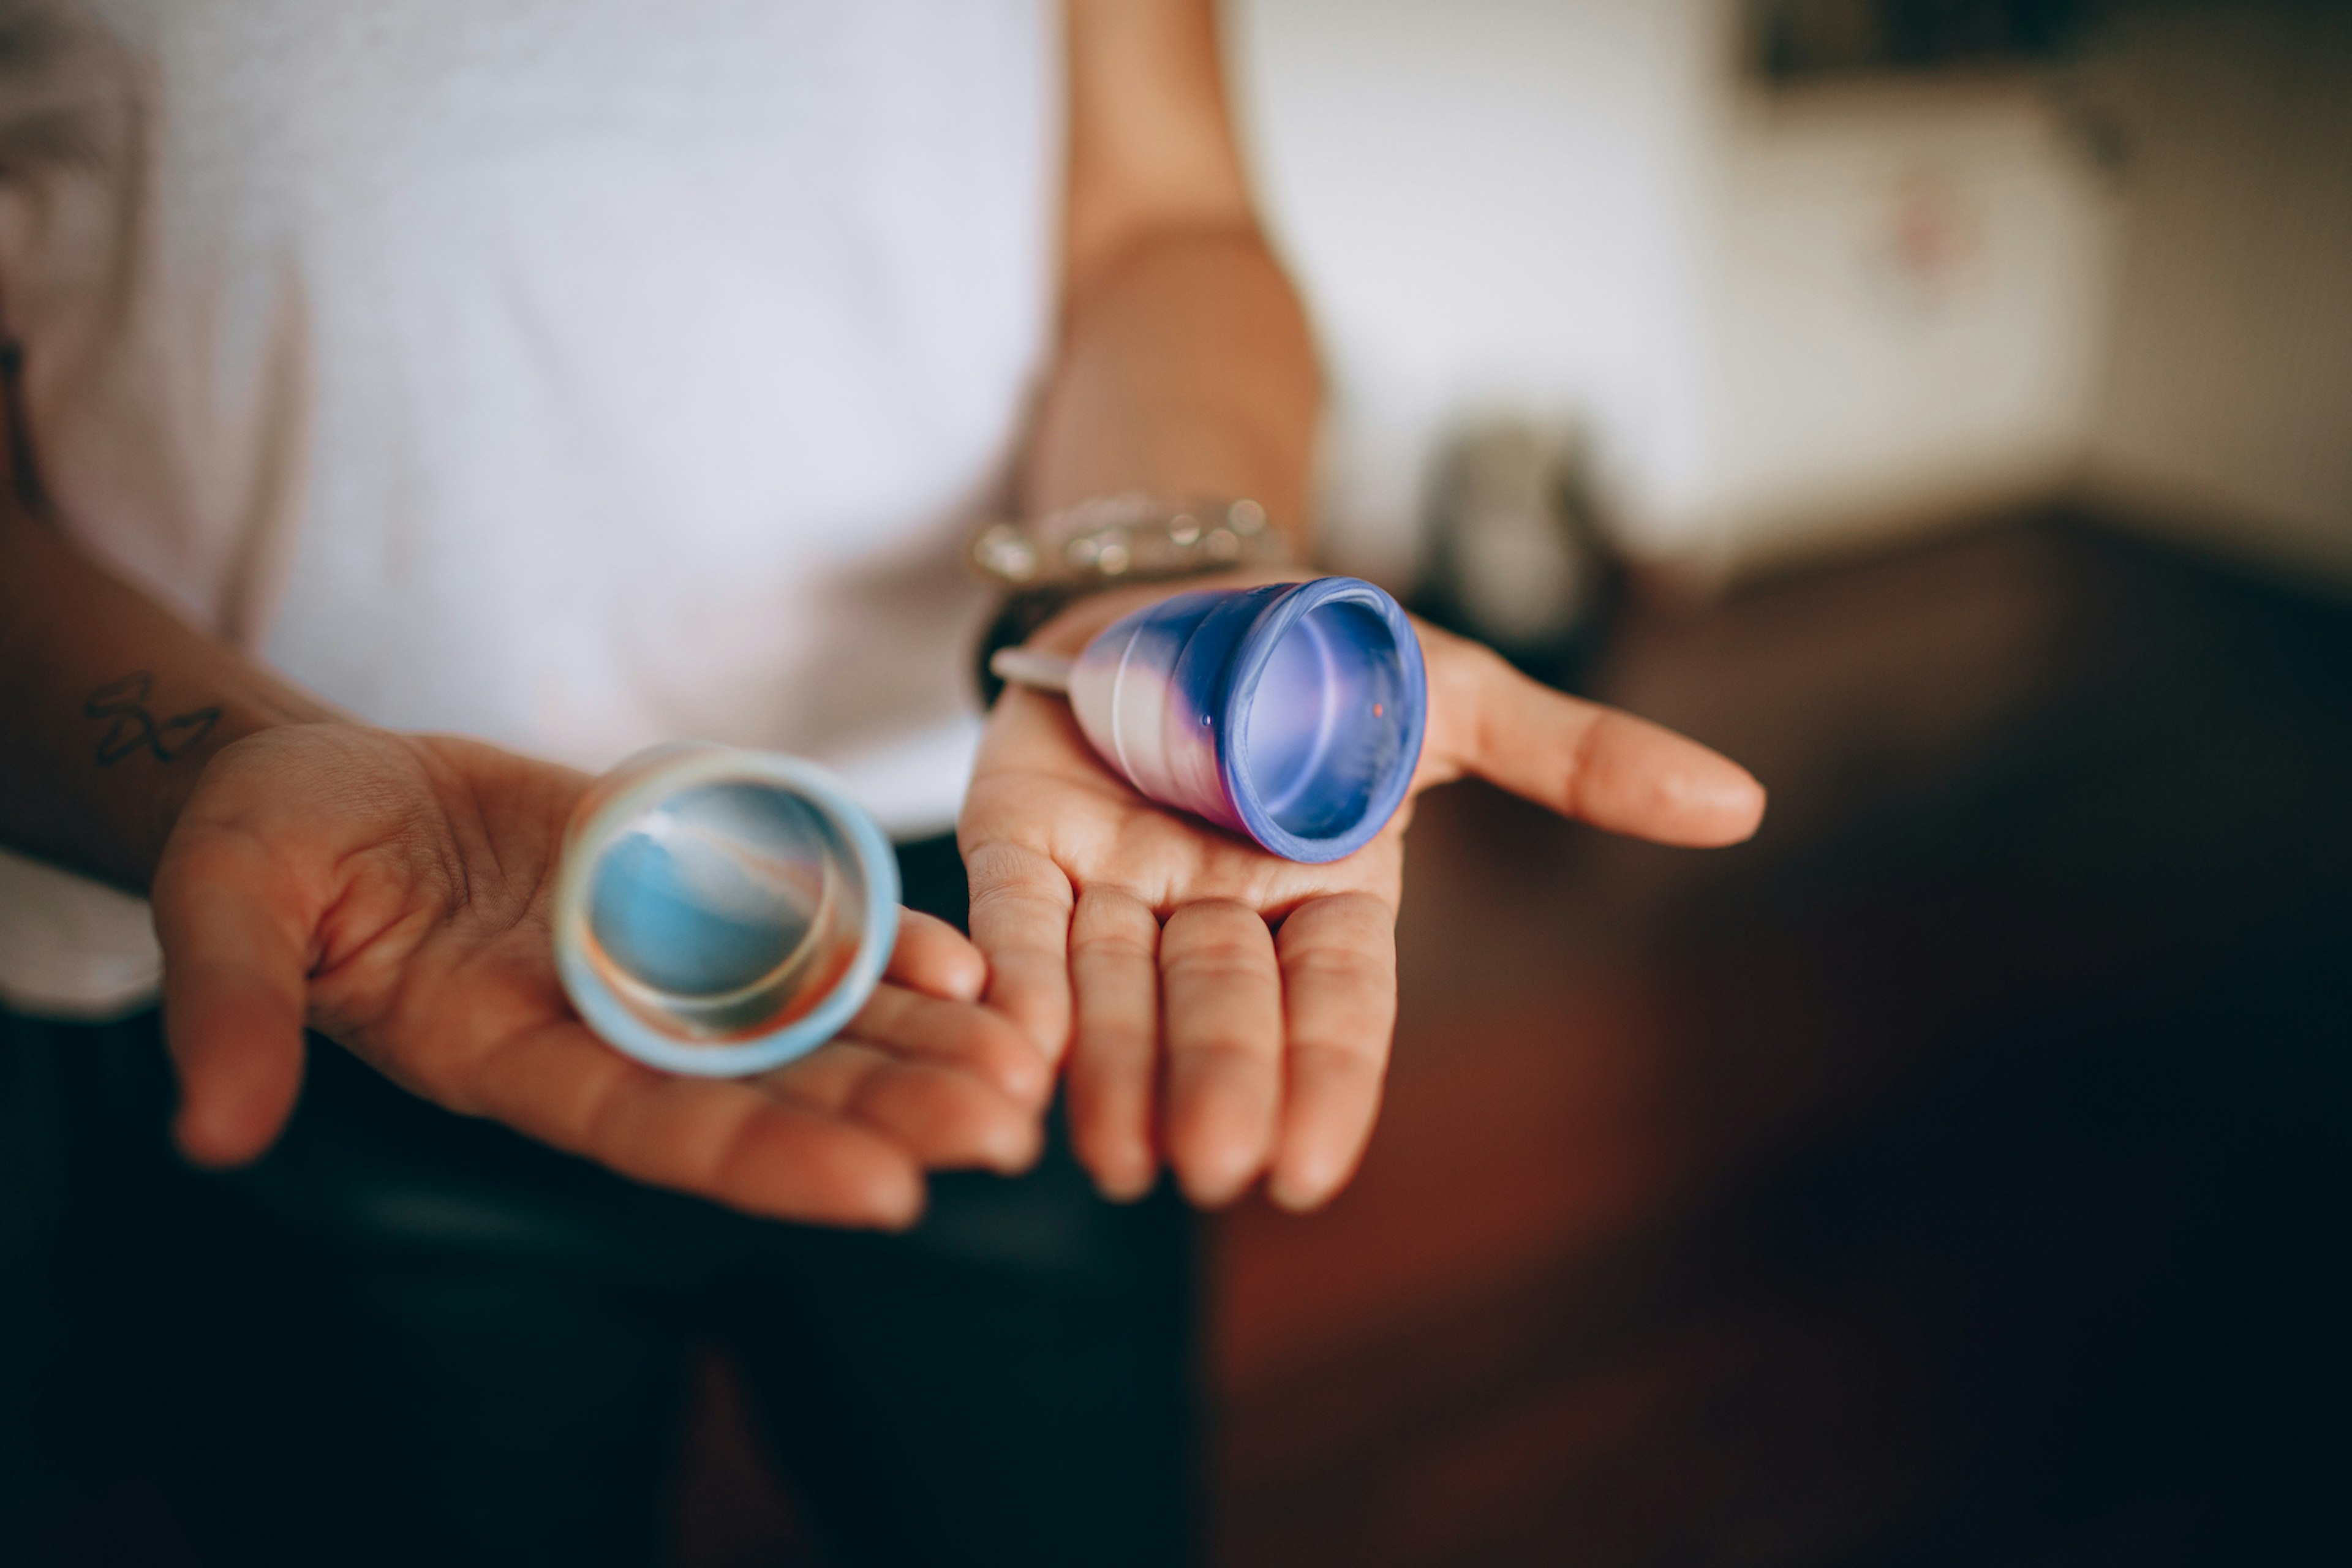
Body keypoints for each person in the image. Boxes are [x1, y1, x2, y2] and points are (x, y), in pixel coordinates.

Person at [0, 1, 1765, 1563]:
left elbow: (1168, 218)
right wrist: (215, 765)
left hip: (1017, 908)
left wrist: (1136, 593)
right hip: (314, 930)